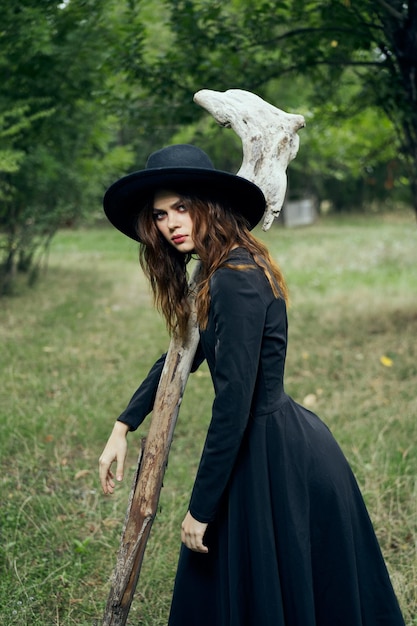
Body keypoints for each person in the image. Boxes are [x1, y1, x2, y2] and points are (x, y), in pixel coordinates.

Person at [99, 144, 405, 626]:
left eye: (182, 207)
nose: (171, 223)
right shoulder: (219, 269)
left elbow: (234, 404)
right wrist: (124, 423)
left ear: (209, 206)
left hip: (272, 452)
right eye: (160, 215)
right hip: (262, 443)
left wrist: (201, 508)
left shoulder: (234, 279)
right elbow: (182, 355)